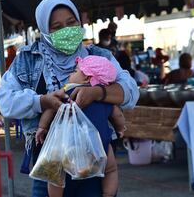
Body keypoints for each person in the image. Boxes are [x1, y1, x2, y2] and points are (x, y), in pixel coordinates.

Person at [0, 0, 139, 197]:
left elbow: (131, 92)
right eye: (56, 26)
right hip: (51, 162)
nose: (66, 30)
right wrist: (41, 101)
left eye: (71, 23)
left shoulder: (99, 58)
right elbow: (6, 102)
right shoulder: (27, 60)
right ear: (45, 31)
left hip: (96, 160)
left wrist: (98, 93)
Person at [35, 55, 126, 197]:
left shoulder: (67, 92)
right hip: (100, 145)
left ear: (87, 78)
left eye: (75, 71)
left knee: (55, 172)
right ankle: (108, 194)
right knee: (111, 170)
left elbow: (51, 108)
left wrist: (42, 127)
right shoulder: (104, 98)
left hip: (67, 144)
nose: (71, 74)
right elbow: (118, 116)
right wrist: (120, 128)